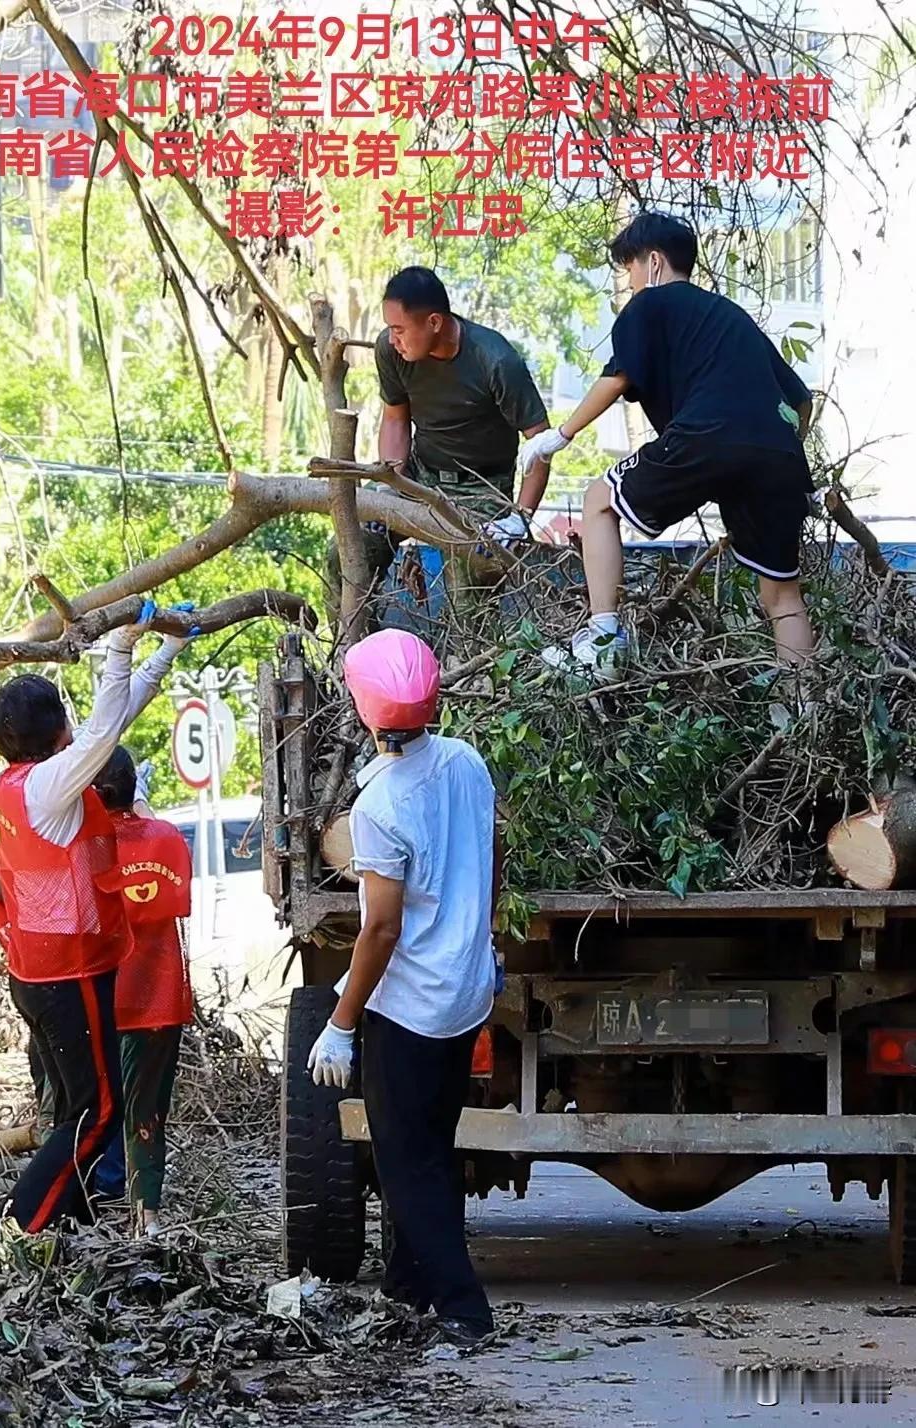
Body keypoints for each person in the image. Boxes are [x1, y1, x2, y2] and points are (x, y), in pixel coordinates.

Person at [0, 603, 190, 1246]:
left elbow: (112, 723)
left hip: (41, 972)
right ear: (56, 729)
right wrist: (120, 645)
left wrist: (165, 652)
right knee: (99, 1109)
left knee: (78, 1107)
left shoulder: (12, 786)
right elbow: (102, 733)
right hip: (69, 974)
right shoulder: (48, 787)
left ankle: (61, 1222)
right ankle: (16, 1226)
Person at [307, 629, 497, 1346]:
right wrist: (481, 937)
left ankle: (463, 1308)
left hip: (410, 1004)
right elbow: (492, 851)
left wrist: (342, 1021)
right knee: (433, 1145)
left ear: (362, 708)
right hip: (465, 989)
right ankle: (405, 1285)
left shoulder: (379, 806)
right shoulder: (467, 763)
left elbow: (380, 927)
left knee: (404, 1160)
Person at [521, 212, 815, 673]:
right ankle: (806, 710)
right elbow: (802, 402)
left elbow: (617, 378)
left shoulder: (648, 307)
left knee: (599, 500)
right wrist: (776, 450)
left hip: (709, 434)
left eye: (630, 270)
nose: (630, 284)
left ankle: (603, 644)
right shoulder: (732, 317)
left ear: (653, 263)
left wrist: (559, 436)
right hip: (780, 453)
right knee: (782, 594)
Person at [327, 266, 552, 620]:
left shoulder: (496, 360)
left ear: (434, 322)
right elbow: (396, 419)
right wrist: (390, 483)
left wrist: (518, 519)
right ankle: (355, 657)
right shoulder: (391, 351)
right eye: (390, 328)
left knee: (469, 594)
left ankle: (468, 672)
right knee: (348, 547)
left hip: (482, 488)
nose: (392, 338)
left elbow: (541, 443)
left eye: (400, 329)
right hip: (419, 474)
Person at [92, 745, 193, 1236]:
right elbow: (175, 901)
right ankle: (147, 1216)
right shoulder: (168, 837)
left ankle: (76, 1212)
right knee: (148, 1109)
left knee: (86, 1107)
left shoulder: (83, 847)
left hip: (101, 1000)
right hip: (159, 998)